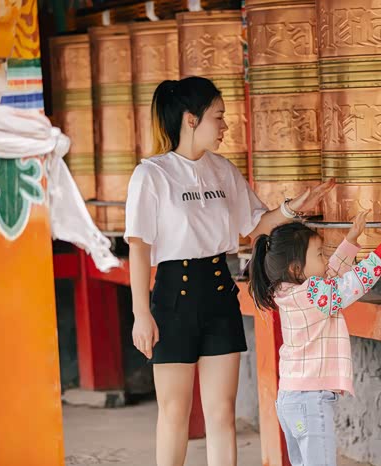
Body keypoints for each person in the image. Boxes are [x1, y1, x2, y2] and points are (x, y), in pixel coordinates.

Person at [124, 76, 335, 466]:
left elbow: (254, 226)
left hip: (219, 294)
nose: (225, 125)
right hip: (172, 298)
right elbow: (139, 247)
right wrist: (141, 314)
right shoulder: (152, 174)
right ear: (191, 119)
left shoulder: (222, 170)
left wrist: (293, 208)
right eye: (218, 116)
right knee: (175, 413)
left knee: (222, 412)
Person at [248, 209, 381, 466]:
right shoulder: (312, 294)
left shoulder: (289, 290)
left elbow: (329, 277)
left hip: (292, 398)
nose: (324, 260)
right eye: (319, 255)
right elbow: (351, 284)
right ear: (296, 268)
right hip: (309, 401)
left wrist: (351, 241)